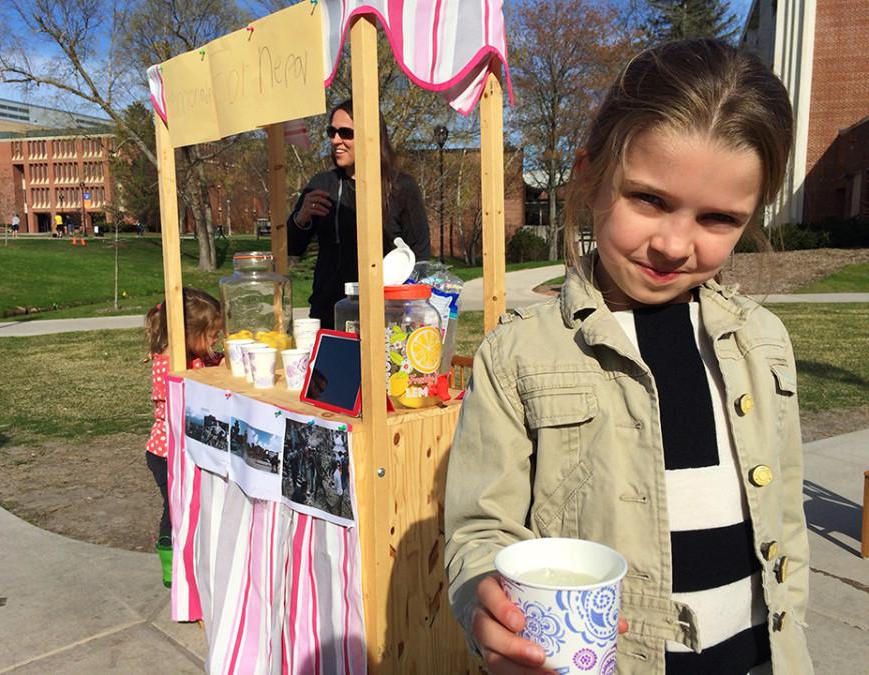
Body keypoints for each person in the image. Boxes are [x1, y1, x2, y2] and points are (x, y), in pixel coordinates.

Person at [444, 38, 811, 675]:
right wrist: (484, 608)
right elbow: (481, 532)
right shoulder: (518, 355)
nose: (673, 244)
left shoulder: (764, 344)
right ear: (590, 175)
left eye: (718, 218)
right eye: (649, 199)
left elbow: (787, 523)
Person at [287, 99, 431, 328]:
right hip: (329, 313)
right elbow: (291, 247)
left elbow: (421, 257)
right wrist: (301, 218)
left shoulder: (400, 186)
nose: (336, 140)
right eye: (331, 132)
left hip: (386, 317)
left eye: (345, 133)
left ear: (370, 135)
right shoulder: (322, 184)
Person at [144, 288, 223, 588]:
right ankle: (170, 561)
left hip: (180, 449)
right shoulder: (170, 365)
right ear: (189, 334)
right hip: (165, 453)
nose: (215, 343)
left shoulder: (193, 357)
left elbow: (210, 364)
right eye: (211, 336)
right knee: (175, 505)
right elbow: (185, 397)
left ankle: (187, 556)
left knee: (187, 503)